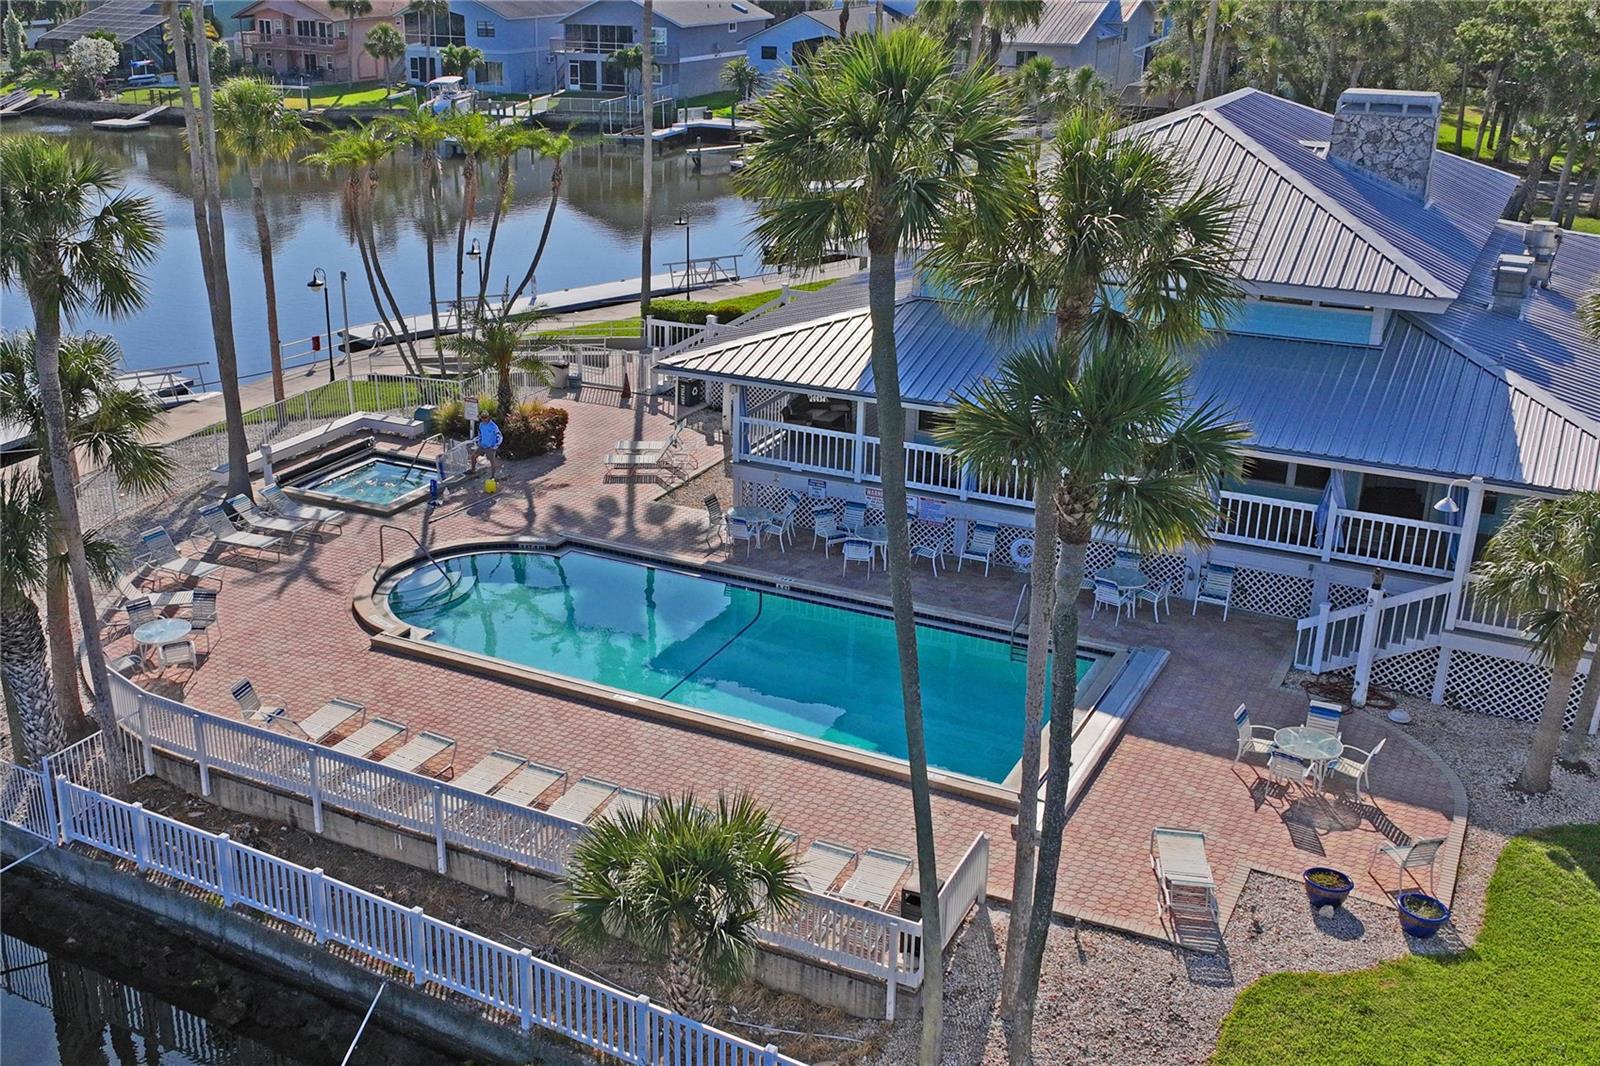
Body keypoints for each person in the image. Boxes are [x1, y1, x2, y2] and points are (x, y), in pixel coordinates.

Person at [475, 412, 503, 480]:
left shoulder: (493, 426)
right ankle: (473, 470)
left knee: (492, 462)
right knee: (473, 456)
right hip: (482, 446)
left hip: (490, 447)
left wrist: (495, 446)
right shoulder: (481, 424)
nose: (484, 419)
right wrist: (478, 441)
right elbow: (480, 434)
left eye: (485, 417)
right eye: (482, 417)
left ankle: (493, 476)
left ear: (488, 417)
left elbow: (500, 436)